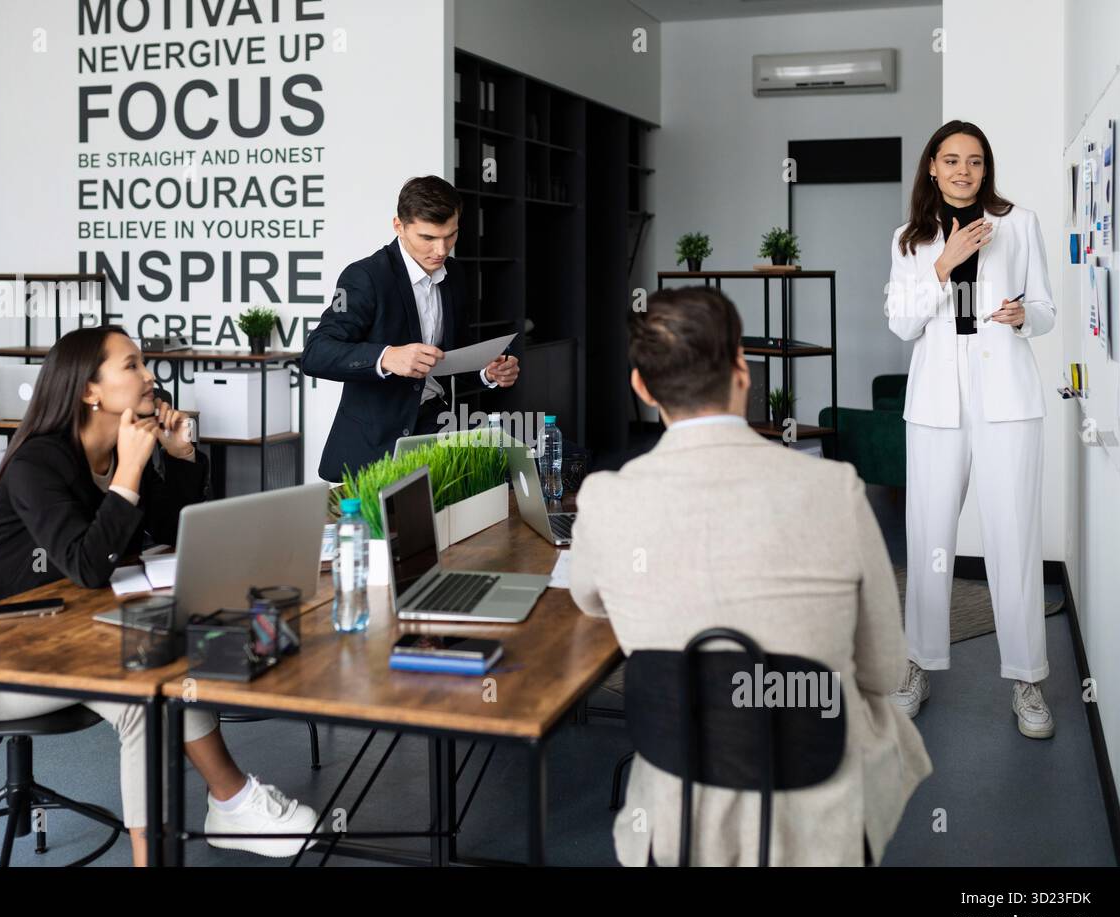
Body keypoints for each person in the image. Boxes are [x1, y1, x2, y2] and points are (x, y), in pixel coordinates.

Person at [0, 326, 318, 865]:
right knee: (143, 695)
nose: (149, 375)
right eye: (131, 365)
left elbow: (166, 532)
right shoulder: (38, 463)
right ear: (90, 391)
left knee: (181, 648)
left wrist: (178, 458)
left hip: (62, 630)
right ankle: (181, 838)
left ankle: (231, 803)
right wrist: (132, 469)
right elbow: (89, 566)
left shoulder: (115, 449)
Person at [568, 287, 931, 866]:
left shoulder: (606, 499)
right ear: (744, 369)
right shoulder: (835, 490)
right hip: (820, 813)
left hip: (679, 814)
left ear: (641, 385)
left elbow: (587, 598)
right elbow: (886, 669)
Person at [884, 120, 1056, 738]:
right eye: (951, 160)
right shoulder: (910, 239)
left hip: (1006, 399)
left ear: (986, 169)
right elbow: (902, 324)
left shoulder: (1020, 224)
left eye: (975, 161)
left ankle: (1028, 679)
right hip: (936, 403)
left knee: (1013, 535)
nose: (964, 170)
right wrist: (943, 265)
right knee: (929, 535)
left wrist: (1022, 315)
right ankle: (917, 665)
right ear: (932, 166)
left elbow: (1046, 310)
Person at [301, 175, 520, 481]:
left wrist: (488, 371)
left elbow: (455, 349)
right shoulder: (364, 277)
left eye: (451, 235)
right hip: (374, 444)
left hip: (434, 426)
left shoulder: (454, 275)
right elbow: (315, 353)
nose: (441, 250)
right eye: (428, 238)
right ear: (399, 227)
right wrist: (387, 357)